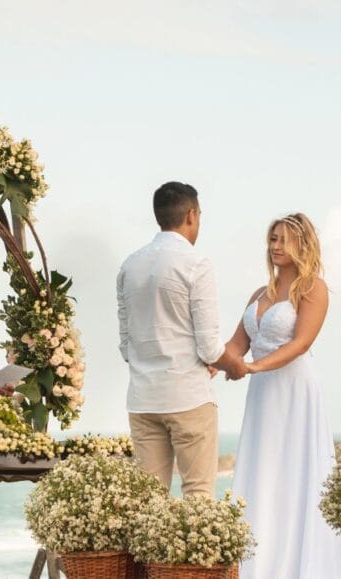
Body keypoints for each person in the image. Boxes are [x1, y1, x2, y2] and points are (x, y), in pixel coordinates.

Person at [226, 213, 341, 578]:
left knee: (297, 472)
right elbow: (236, 345)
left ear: (302, 244)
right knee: (262, 469)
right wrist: (211, 363)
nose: (275, 246)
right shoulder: (258, 294)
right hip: (263, 393)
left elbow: (301, 343)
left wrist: (252, 367)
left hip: (294, 389)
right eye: (272, 239)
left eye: (283, 239)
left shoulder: (314, 288)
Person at [117, 181, 248, 496]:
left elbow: (126, 345)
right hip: (188, 396)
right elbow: (209, 346)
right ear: (191, 215)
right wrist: (234, 365)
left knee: (149, 500)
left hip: (143, 398)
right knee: (198, 492)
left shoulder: (129, 266)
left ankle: (148, 548)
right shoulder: (196, 263)